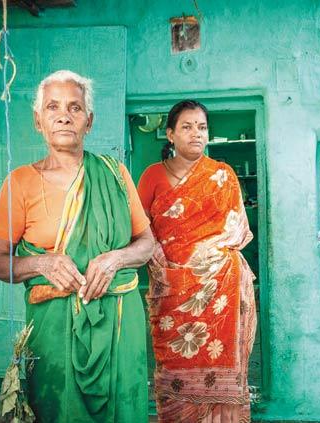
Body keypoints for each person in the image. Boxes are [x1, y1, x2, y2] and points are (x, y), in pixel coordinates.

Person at [0, 70, 154, 422]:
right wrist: (42, 265)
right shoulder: (20, 183)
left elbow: (147, 244)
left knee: (124, 405)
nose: (64, 115)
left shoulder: (115, 174)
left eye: (75, 107)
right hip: (52, 332)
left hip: (119, 324)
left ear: (88, 121)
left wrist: (115, 258)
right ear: (38, 121)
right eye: (53, 107)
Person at [138, 100, 256, 422]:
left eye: (202, 127)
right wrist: (167, 265)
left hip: (219, 291)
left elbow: (235, 230)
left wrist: (205, 258)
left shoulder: (223, 176)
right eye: (187, 127)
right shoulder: (152, 177)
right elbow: (138, 228)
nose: (196, 134)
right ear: (170, 134)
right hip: (171, 292)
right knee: (173, 368)